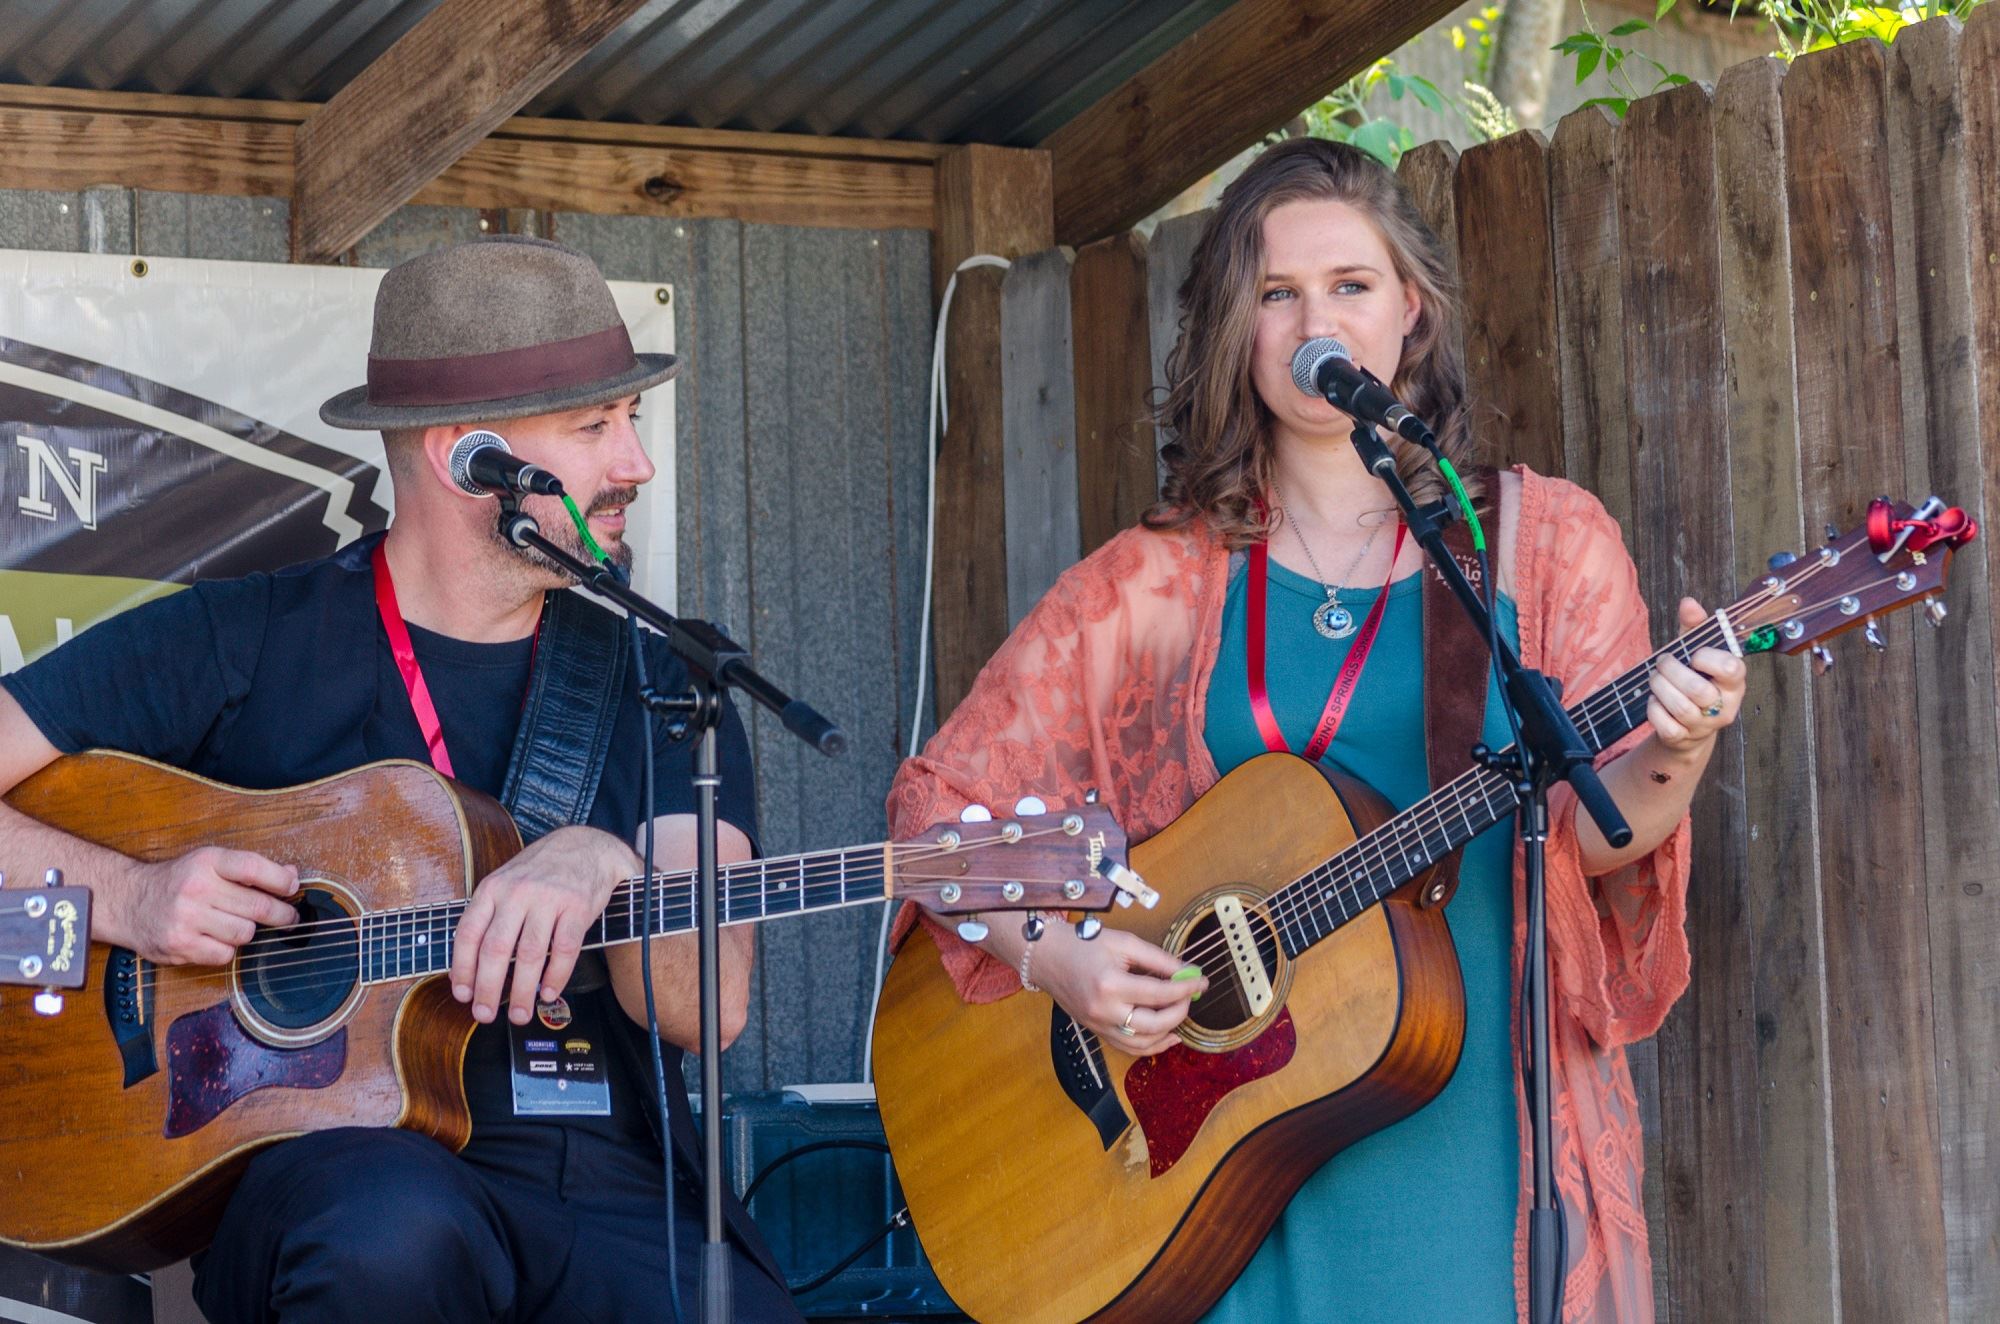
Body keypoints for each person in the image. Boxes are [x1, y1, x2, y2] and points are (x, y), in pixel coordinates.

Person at [886, 138, 1744, 1322]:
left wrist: (1678, 747)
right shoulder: (1146, 589)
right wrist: (1055, 957)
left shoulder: (1538, 548)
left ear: (1411, 314)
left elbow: (1592, 830)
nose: (1312, 321)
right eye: (1274, 294)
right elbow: (937, 817)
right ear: (1234, 328)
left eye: (1347, 285)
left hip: (1473, 1144)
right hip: (1220, 1164)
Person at [0, 236, 803, 1322]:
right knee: (388, 1236)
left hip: (597, 1172)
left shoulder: (665, 678)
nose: (635, 465)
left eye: (630, 421)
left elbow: (701, 1011)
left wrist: (604, 860)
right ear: (463, 456)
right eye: (592, 428)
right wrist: (132, 897)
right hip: (344, 1165)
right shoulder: (244, 639)